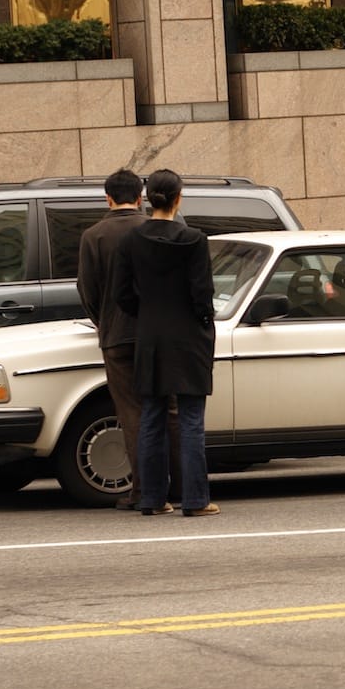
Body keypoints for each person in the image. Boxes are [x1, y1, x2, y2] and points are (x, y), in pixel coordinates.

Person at [114, 170, 220, 517]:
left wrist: (146, 314)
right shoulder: (194, 239)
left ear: (147, 198)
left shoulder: (131, 241)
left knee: (152, 416)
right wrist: (204, 322)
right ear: (178, 198)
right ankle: (195, 499)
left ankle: (153, 499)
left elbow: (122, 295)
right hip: (189, 336)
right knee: (190, 418)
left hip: (150, 334)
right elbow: (202, 294)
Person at [77, 168, 156, 512]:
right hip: (157, 334)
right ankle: (177, 486)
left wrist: (104, 321)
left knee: (131, 412)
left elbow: (87, 290)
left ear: (107, 197)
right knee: (166, 409)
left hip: (116, 336)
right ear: (140, 197)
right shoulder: (154, 230)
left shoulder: (94, 236)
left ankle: (142, 490)